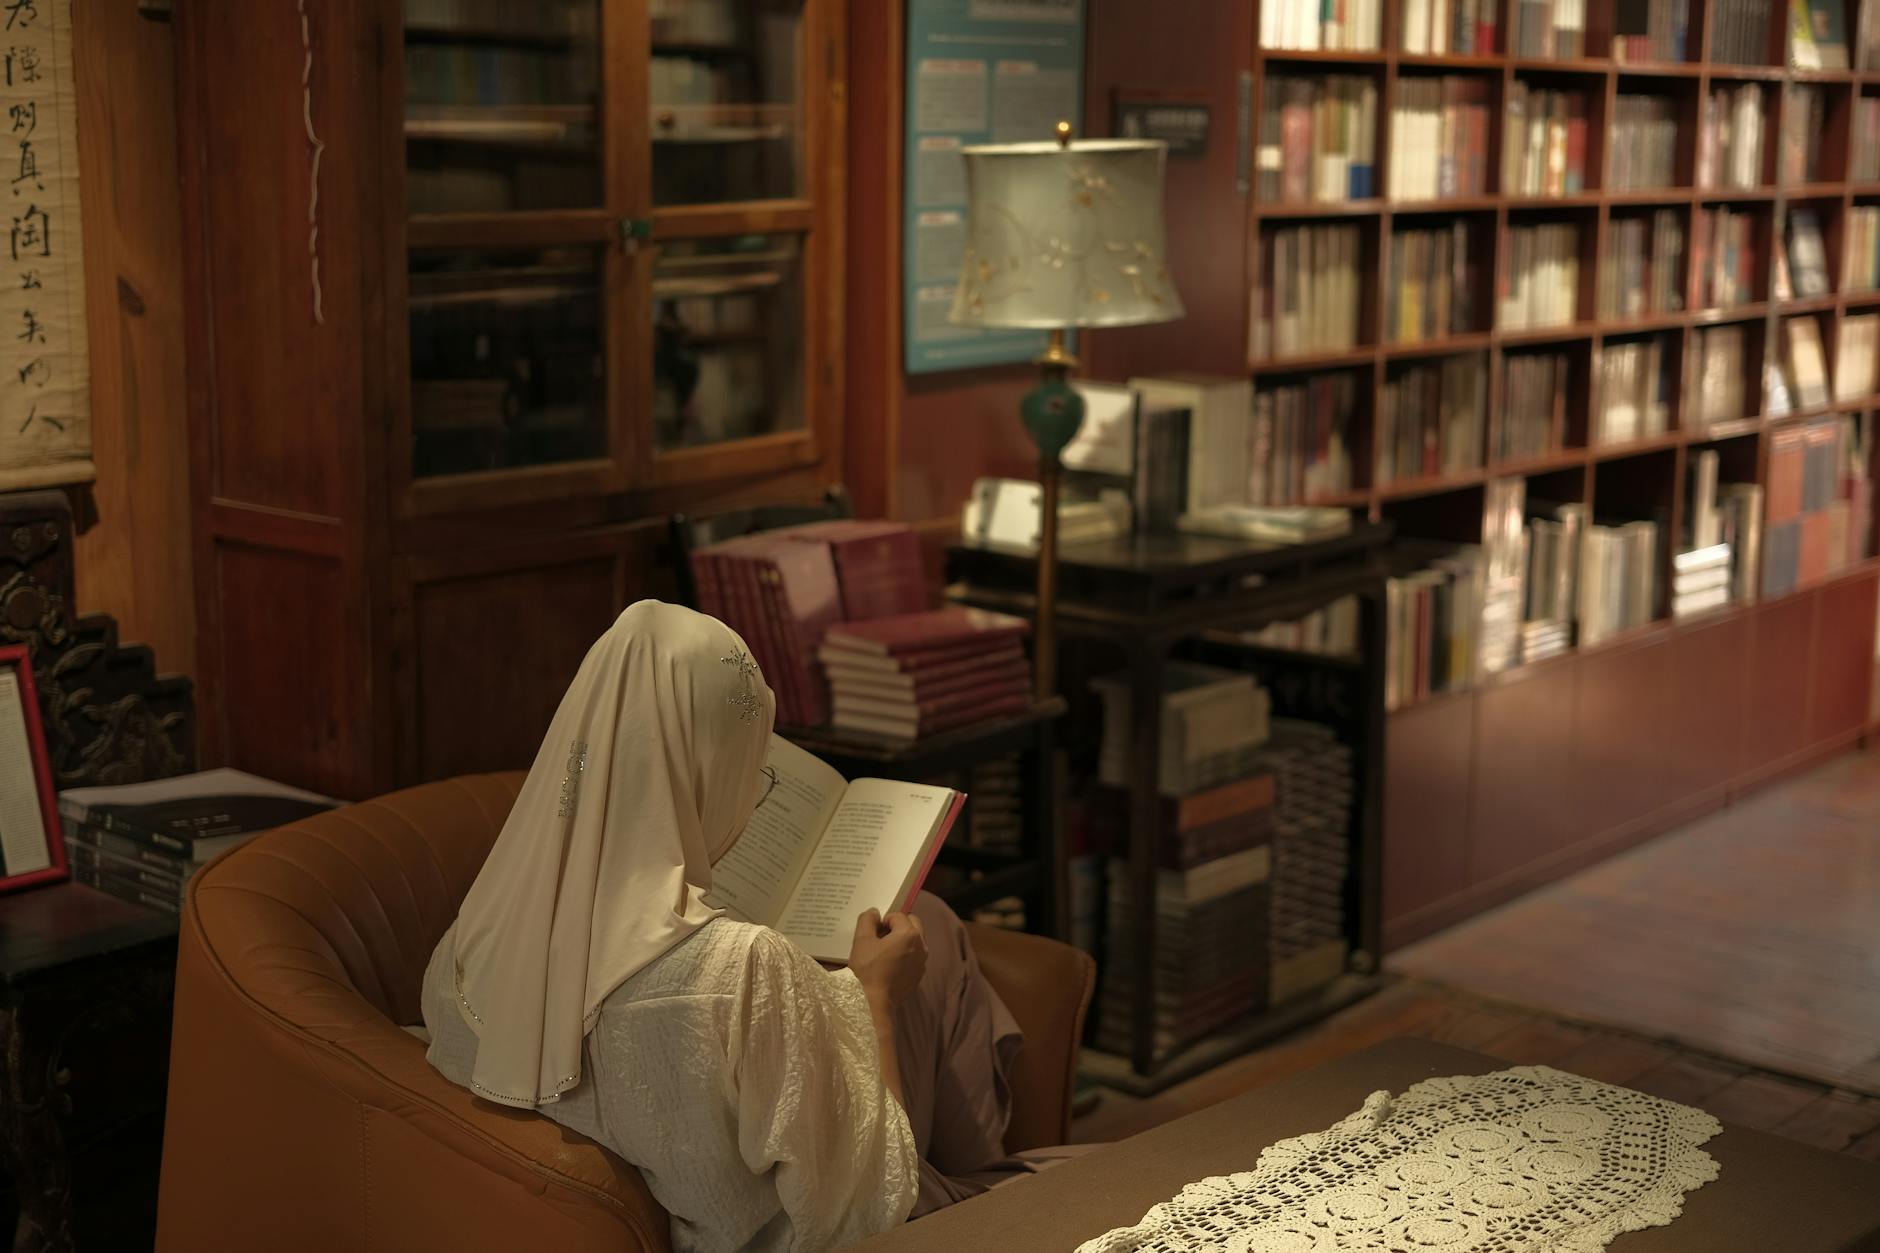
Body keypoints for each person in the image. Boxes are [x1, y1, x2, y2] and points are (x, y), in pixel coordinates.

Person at [421, 601, 1057, 1253]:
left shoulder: (464, 946)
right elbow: (872, 1215)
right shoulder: (740, 971)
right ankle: (997, 1187)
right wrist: (875, 998)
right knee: (1072, 1176)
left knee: (934, 926)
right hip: (842, 1228)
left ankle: (993, 1182)